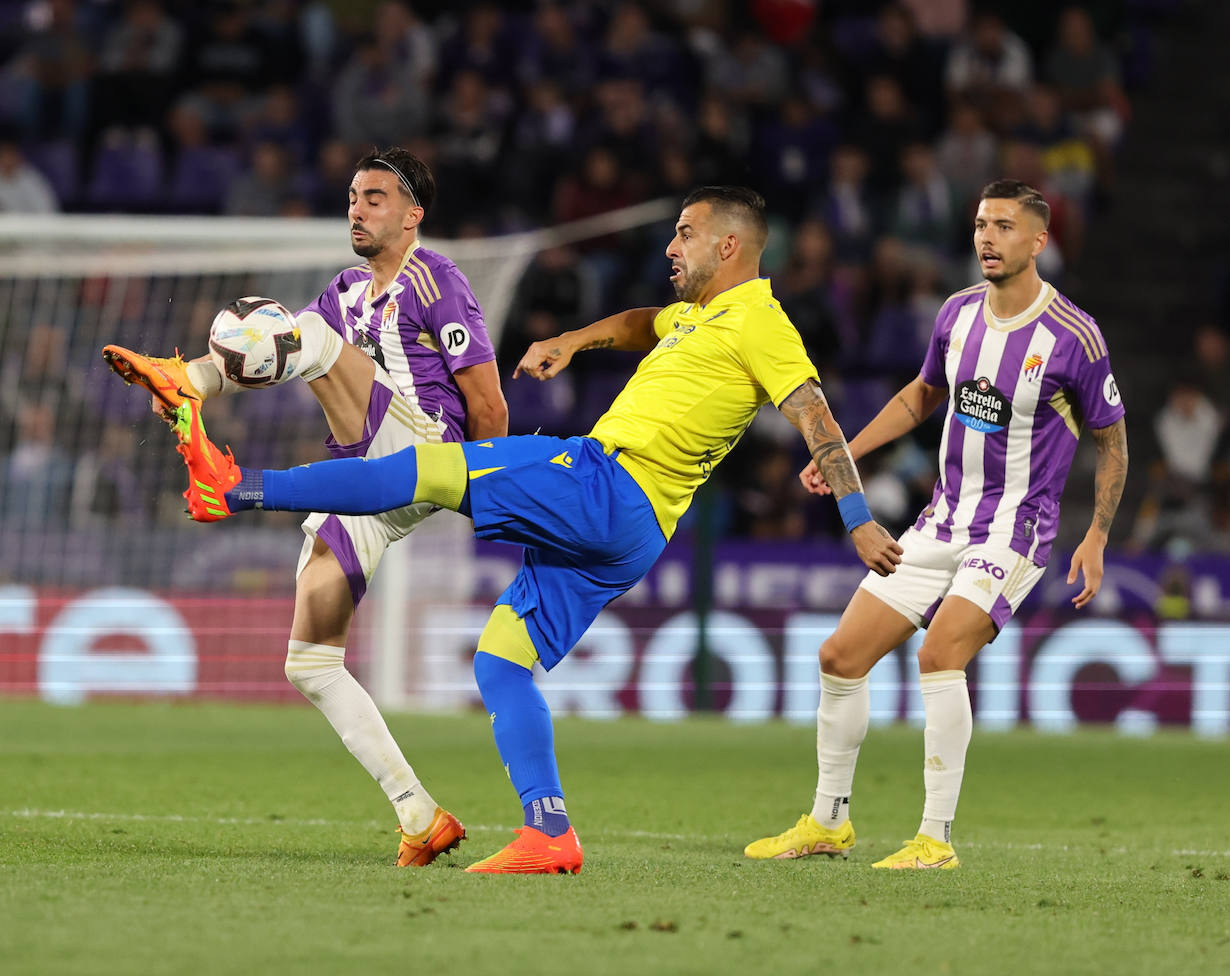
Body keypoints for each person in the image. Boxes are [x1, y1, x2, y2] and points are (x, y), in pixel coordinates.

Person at [164, 186, 903, 873]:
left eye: (686, 234)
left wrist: (857, 519)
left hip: (604, 483)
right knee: (501, 662)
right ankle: (548, 832)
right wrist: (573, 342)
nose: (672, 246)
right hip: (636, 534)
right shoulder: (694, 317)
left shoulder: (762, 322)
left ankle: (240, 488)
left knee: (426, 467)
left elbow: (814, 413)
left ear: (731, 246)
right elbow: (639, 323)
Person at [100, 146, 508, 868]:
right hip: (365, 483)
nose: (358, 207)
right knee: (310, 662)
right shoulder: (346, 289)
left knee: (310, 337)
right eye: (353, 195)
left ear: (414, 214)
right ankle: (420, 815)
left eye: (376, 197)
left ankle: (181, 381)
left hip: (422, 448)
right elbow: (273, 350)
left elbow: (488, 403)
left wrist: (486, 489)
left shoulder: (434, 278)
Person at [744, 180, 1128, 870]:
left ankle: (935, 839)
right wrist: (844, 454)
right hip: (941, 522)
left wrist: (1097, 533)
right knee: (840, 657)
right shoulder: (956, 314)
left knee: (939, 654)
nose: (987, 237)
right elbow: (921, 397)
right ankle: (829, 822)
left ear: (1038, 241)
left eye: (1005, 227)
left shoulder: (1073, 335)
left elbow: (1113, 442)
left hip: (1015, 530)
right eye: (982, 224)